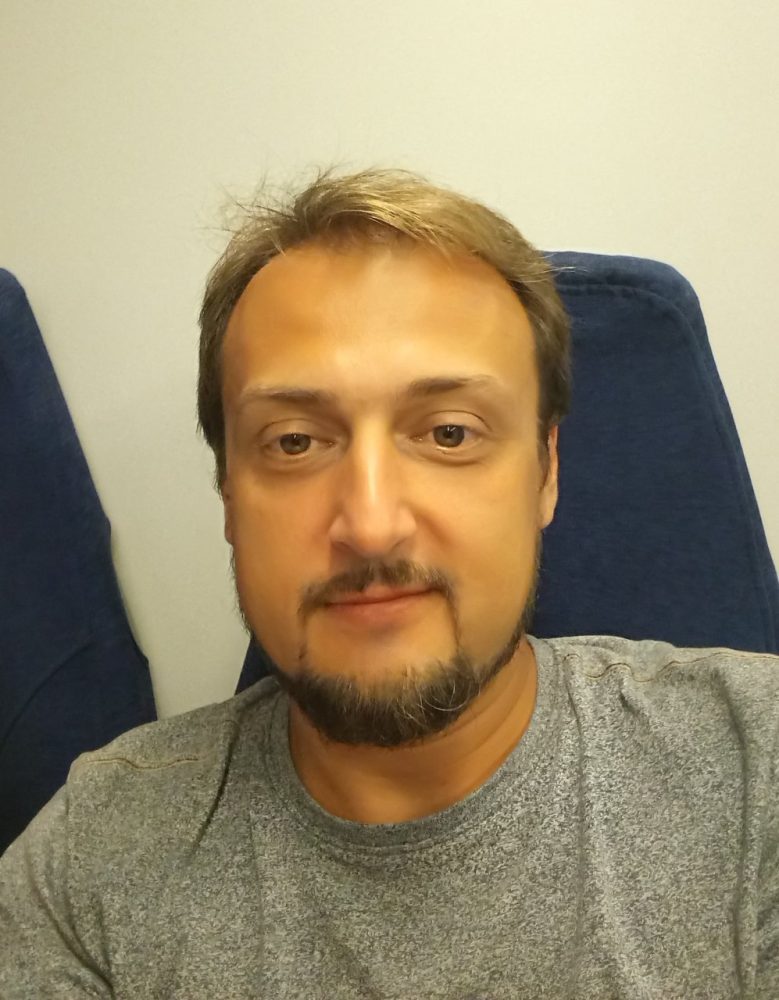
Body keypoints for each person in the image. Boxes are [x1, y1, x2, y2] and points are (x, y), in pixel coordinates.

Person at [1, 168, 777, 999]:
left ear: (545, 473)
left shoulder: (754, 774)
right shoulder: (88, 867)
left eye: (449, 433)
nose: (370, 525)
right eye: (294, 442)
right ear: (228, 494)